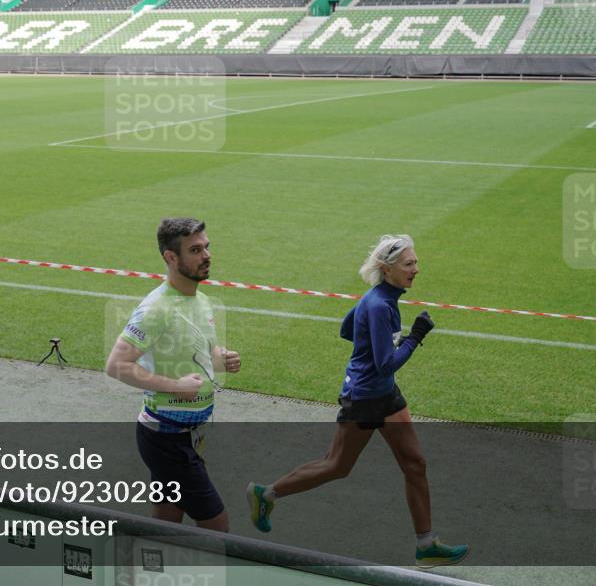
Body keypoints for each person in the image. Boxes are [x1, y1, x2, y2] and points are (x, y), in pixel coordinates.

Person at [245, 235, 469, 568]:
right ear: (387, 268)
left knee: (415, 464)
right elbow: (385, 363)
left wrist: (365, 347)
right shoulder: (379, 305)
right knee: (337, 465)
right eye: (409, 264)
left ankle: (426, 545)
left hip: (385, 394)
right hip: (365, 398)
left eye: (415, 262)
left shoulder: (380, 298)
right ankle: (266, 494)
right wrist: (415, 337)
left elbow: (346, 328)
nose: (416, 269)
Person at [105, 217, 241, 532]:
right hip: (166, 437)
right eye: (195, 250)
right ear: (171, 257)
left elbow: (194, 352)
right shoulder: (156, 309)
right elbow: (117, 365)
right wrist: (175, 386)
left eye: (206, 247)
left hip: (187, 434)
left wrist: (220, 360)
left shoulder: (201, 300)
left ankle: (143, 576)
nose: (206, 256)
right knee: (217, 525)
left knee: (167, 522)